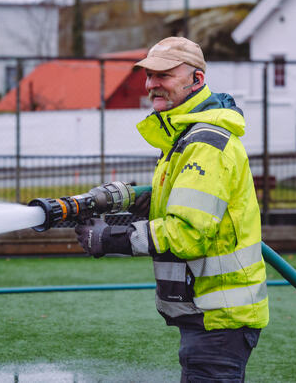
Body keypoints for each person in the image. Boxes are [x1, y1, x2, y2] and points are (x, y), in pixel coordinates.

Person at [75, 37, 268, 382]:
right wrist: (123, 201)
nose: (152, 85)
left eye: (163, 74)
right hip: (210, 315)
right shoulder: (184, 138)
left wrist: (110, 238)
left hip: (219, 318)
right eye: (148, 76)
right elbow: (180, 205)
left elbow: (186, 233)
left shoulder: (204, 144)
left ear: (197, 80)